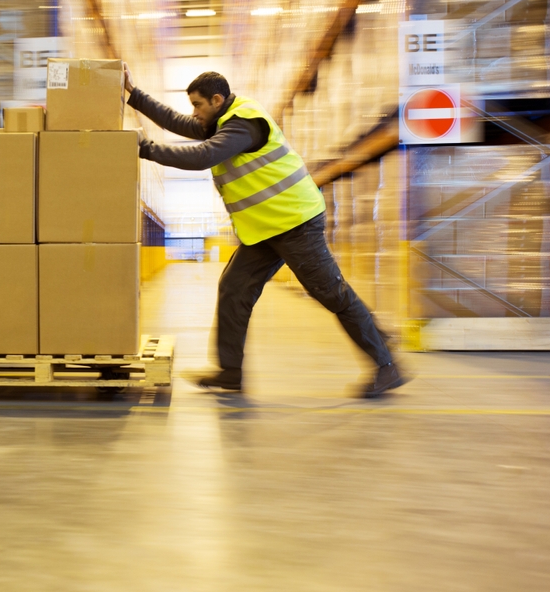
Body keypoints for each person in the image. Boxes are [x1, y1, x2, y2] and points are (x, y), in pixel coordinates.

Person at [124, 65, 407, 398]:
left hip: (295, 221)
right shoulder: (218, 121)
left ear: (217, 100)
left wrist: (148, 150)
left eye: (198, 106)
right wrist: (134, 94)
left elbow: (206, 156)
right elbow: (179, 122)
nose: (194, 114)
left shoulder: (244, 123)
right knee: (233, 288)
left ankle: (386, 366)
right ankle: (230, 374)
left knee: (330, 292)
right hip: (267, 228)